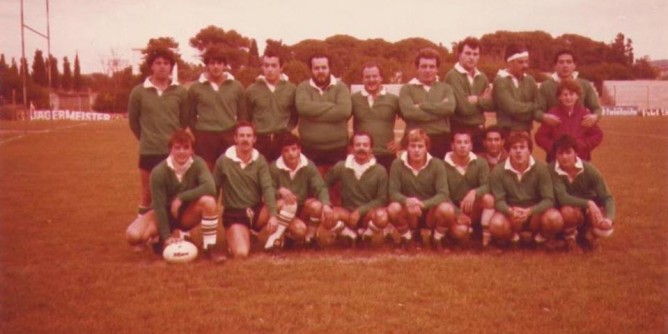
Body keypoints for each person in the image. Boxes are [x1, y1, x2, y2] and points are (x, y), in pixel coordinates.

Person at [125, 130, 225, 263]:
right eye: (177, 148)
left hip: (186, 214)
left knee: (209, 202)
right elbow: (159, 206)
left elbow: (210, 188)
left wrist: (181, 197)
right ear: (170, 150)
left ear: (192, 150)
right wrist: (167, 237)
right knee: (133, 235)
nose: (182, 152)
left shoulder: (198, 163)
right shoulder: (159, 171)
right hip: (164, 214)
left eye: (186, 148)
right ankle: (159, 240)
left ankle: (209, 246)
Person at [129, 47, 188, 217]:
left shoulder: (180, 91)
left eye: (166, 63)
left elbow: (183, 122)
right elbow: (134, 122)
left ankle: (181, 234)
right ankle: (143, 232)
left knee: (176, 194)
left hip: (174, 152)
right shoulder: (138, 92)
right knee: (147, 195)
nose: (162, 66)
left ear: (171, 67)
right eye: (158, 63)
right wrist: (148, 138)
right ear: (151, 67)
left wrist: (174, 143)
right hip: (149, 151)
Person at [213, 121, 278, 257]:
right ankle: (235, 236)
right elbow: (214, 188)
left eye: (249, 136)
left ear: (254, 139)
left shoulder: (260, 160)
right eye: (241, 136)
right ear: (235, 138)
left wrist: (272, 215)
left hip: (255, 211)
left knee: (283, 204)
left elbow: (267, 187)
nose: (245, 139)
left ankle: (275, 241)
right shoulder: (223, 161)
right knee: (241, 253)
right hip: (234, 214)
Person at [488, 131, 562, 248]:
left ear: (529, 150)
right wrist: (511, 211)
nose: (518, 151)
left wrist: (530, 211)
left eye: (522, 147)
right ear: (508, 151)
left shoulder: (541, 168)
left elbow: (549, 199)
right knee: (496, 224)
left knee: (555, 218)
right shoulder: (498, 171)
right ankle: (512, 238)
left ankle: (541, 238)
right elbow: (499, 201)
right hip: (513, 215)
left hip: (535, 215)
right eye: (514, 148)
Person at [387, 128, 455, 251]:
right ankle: (407, 238)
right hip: (409, 212)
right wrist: (407, 201)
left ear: (426, 148)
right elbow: (393, 193)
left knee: (447, 209)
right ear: (407, 147)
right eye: (413, 146)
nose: (416, 150)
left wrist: (422, 204)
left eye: (420, 146)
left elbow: (443, 193)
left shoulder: (437, 164)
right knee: (393, 208)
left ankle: (437, 239)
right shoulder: (397, 164)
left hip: (430, 212)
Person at [262, 133, 331, 250]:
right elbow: (267, 191)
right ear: (281, 153)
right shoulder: (274, 168)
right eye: (286, 150)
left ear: (299, 149)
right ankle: (276, 238)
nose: (291, 153)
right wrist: (280, 191)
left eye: (294, 149)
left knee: (317, 206)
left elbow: (320, 187)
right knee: (299, 228)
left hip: (301, 208)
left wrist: (326, 204)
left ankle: (310, 239)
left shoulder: (308, 165)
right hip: (282, 209)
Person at [550, 135, 615, 251]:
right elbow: (562, 198)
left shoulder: (589, 169)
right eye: (560, 153)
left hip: (590, 211)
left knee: (604, 225)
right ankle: (570, 239)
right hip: (571, 211)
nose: (564, 157)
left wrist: (609, 219)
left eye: (568, 152)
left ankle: (589, 235)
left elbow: (607, 197)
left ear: (576, 153)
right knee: (567, 211)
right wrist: (588, 203)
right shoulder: (552, 170)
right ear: (556, 155)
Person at [325, 132, 390, 247]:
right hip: (346, 214)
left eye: (365, 145)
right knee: (326, 215)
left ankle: (366, 236)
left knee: (382, 217)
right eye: (358, 145)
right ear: (351, 148)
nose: (361, 148)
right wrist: (329, 203)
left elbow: (382, 199)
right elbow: (324, 185)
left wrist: (360, 211)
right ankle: (349, 235)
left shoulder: (380, 170)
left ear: (371, 149)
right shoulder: (341, 166)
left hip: (368, 215)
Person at [188, 46, 246, 170]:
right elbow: (190, 116)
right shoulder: (195, 88)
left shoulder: (237, 86)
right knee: (207, 178)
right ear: (207, 65)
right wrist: (198, 135)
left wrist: (236, 135)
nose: (216, 67)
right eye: (212, 63)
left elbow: (243, 115)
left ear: (224, 65)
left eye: (219, 63)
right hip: (205, 138)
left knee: (229, 176)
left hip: (229, 136)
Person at [295, 53, 352, 174]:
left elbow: (344, 111)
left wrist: (313, 114)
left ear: (329, 68)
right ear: (311, 69)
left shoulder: (341, 87)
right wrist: (331, 105)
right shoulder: (302, 88)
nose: (320, 71)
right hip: (310, 149)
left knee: (336, 189)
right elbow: (303, 109)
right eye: (316, 68)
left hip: (337, 149)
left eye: (324, 67)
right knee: (313, 189)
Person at [399, 47, 456, 159]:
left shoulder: (446, 88)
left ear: (437, 69)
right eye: (424, 66)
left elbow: (449, 108)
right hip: (415, 140)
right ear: (417, 68)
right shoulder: (407, 89)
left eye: (432, 66)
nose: (428, 70)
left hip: (441, 140)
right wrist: (439, 111)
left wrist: (422, 106)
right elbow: (409, 113)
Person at [442, 130, 495, 247]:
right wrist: (457, 213)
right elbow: (442, 193)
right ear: (452, 145)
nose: (462, 146)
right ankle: (448, 233)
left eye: (466, 142)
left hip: (473, 206)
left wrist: (474, 192)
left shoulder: (480, 163)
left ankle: (485, 240)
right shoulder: (442, 165)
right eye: (459, 142)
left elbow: (487, 185)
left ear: (471, 146)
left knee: (488, 199)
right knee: (460, 232)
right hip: (453, 206)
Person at [245, 51, 298, 162]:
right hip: (260, 140)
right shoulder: (251, 90)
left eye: (274, 65)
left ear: (281, 67)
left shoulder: (292, 89)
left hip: (282, 139)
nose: (270, 69)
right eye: (266, 65)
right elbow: (246, 116)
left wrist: (287, 130)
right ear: (262, 67)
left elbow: (295, 115)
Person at [444, 37, 494, 153]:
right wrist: (483, 100)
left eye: (475, 54)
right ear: (459, 54)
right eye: (467, 53)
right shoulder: (452, 76)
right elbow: (464, 108)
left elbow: (492, 104)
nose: (471, 57)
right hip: (460, 132)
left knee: (479, 165)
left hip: (480, 131)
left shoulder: (482, 77)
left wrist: (477, 100)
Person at [535, 80, 603, 162]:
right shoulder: (553, 114)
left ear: (577, 96)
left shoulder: (584, 114)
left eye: (571, 94)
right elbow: (540, 137)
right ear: (559, 97)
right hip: (556, 161)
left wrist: (584, 146)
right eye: (565, 94)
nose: (568, 98)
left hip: (581, 160)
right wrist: (553, 147)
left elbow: (597, 134)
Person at [351, 61, 400, 171]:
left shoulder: (393, 99)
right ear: (362, 79)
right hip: (361, 155)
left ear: (381, 78)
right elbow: (340, 120)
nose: (371, 80)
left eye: (374, 76)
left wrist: (402, 143)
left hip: (386, 154)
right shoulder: (354, 99)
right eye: (367, 77)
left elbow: (412, 120)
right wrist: (349, 145)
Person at [536, 50, 602, 128]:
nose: (565, 65)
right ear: (555, 66)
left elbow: (597, 108)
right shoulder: (546, 86)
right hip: (554, 133)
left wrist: (595, 117)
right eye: (561, 62)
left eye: (569, 62)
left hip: (577, 133)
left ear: (574, 65)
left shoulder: (585, 85)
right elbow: (537, 111)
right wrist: (544, 117)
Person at [492, 44, 538, 133]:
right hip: (507, 132)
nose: (525, 65)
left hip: (526, 131)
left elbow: (538, 105)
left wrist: (529, 109)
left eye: (526, 62)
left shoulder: (530, 80)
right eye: (520, 62)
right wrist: (532, 107)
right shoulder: (500, 81)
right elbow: (511, 108)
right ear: (510, 63)